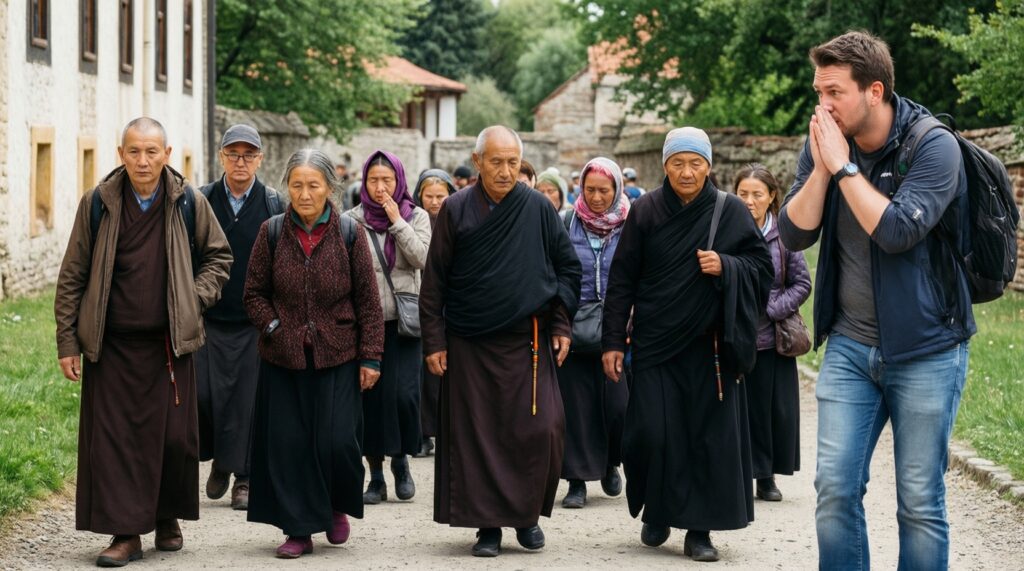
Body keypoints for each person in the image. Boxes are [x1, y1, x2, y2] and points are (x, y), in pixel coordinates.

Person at [779, 31, 973, 570]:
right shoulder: (826, 143)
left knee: (918, 503)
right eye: (819, 92)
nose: (823, 105)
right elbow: (794, 235)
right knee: (835, 490)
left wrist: (842, 167)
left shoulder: (933, 145)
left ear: (875, 91)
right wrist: (822, 167)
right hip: (849, 347)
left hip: (928, 350)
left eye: (834, 93)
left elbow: (896, 232)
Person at [54, 117, 232, 567]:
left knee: (173, 440)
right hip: (111, 348)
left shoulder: (187, 201)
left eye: (152, 151)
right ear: (121, 154)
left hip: (169, 346)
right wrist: (67, 342)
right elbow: (73, 274)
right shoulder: (99, 203)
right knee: (115, 443)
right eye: (134, 151)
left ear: (167, 154)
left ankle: (167, 515)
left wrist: (192, 298)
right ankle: (125, 532)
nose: (143, 160)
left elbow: (219, 256)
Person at [602, 127, 773, 562]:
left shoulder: (730, 211)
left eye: (695, 163)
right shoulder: (645, 212)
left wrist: (727, 266)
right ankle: (657, 511)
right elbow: (622, 278)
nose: (687, 171)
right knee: (652, 433)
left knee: (704, 439)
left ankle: (699, 531)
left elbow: (761, 269)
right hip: (656, 343)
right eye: (678, 162)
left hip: (708, 347)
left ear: (709, 166)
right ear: (664, 166)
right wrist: (612, 342)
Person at [420, 125, 582, 557]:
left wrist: (561, 324)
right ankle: (487, 526)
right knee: (477, 437)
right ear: (477, 163)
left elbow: (569, 270)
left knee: (540, 428)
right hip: (469, 343)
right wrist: (434, 340)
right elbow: (434, 280)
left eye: (513, 162)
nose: (506, 171)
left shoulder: (537, 209)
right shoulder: (455, 209)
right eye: (496, 162)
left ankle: (526, 517)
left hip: (526, 342)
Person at [244, 149, 385, 559]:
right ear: (286, 187)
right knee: (289, 445)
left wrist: (371, 356)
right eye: (297, 185)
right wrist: (273, 327)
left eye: (314, 185)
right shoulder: (271, 232)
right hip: (283, 359)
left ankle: (337, 503)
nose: (305, 194)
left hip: (338, 355)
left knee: (338, 441)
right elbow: (253, 293)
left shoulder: (349, 233)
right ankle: (299, 529)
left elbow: (369, 302)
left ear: (329, 188)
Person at [195, 124, 284, 512]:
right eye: (234, 154)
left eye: (249, 154)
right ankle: (219, 459)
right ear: (221, 157)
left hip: (254, 320)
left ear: (260, 159)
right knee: (205, 396)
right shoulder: (199, 200)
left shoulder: (271, 203)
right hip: (208, 316)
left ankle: (244, 478)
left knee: (247, 401)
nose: (241, 161)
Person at [345, 151, 432, 504]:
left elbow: (423, 258)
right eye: (373, 181)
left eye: (388, 181)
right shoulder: (351, 220)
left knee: (405, 397)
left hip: (405, 324)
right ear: (364, 183)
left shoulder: (417, 216)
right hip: (366, 325)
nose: (381, 188)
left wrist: (398, 222)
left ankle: (402, 460)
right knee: (372, 401)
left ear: (399, 182)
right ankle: (376, 475)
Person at [732, 163, 810, 502]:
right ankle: (738, 474)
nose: (749, 201)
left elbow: (802, 283)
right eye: (743, 194)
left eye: (757, 195)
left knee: (770, 411)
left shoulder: (784, 237)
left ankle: (766, 477)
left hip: (772, 339)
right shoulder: (726, 231)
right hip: (736, 336)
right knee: (739, 411)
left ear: (771, 197)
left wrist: (772, 307)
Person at [557, 157, 630, 509]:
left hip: (619, 328)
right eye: (590, 190)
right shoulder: (566, 222)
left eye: (604, 190)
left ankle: (610, 462)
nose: (597, 197)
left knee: (619, 407)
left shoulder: (631, 224)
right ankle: (576, 480)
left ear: (617, 189)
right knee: (576, 407)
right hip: (573, 328)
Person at [410, 169, 459, 458]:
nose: (435, 202)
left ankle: (449, 430)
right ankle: (425, 431)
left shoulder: (457, 219)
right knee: (424, 373)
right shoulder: (415, 222)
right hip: (423, 302)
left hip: (452, 304)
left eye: (440, 196)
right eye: (429, 196)